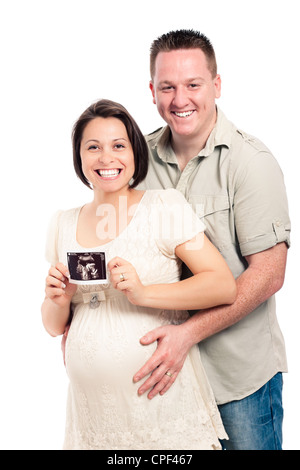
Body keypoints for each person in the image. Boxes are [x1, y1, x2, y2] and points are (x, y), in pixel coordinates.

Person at [41, 99, 237, 450]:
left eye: (118, 145)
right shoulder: (62, 222)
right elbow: (55, 326)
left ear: (135, 152)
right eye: (93, 147)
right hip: (93, 421)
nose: (106, 158)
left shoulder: (164, 207)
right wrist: (58, 298)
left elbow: (222, 285)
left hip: (161, 410)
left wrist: (144, 292)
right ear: (79, 156)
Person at [134, 29, 291, 450]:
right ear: (152, 91)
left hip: (237, 382)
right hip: (163, 379)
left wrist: (189, 333)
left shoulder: (250, 163)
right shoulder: (135, 161)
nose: (180, 99)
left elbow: (270, 274)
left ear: (216, 86)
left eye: (193, 84)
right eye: (167, 86)